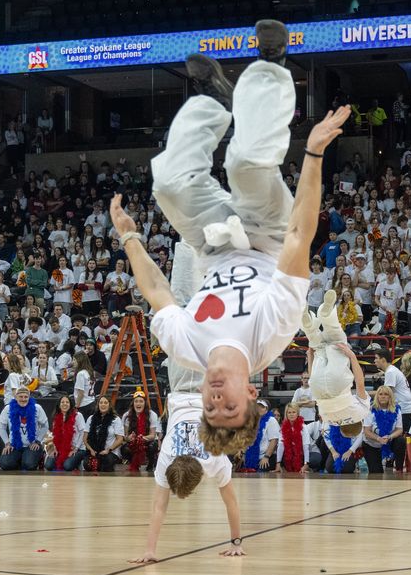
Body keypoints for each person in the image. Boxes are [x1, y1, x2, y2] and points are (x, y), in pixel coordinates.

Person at [115, 29, 349, 455]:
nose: (216, 400)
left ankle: (213, 100)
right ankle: (272, 66)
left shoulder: (185, 349)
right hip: (268, 235)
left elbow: (158, 293)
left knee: (166, 186)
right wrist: (313, 154)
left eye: (210, 409)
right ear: (251, 397)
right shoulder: (272, 332)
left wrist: (130, 236)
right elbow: (299, 236)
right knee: (243, 165)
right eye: (230, 408)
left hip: (212, 246)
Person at [128, 361, 242, 565]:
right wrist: (149, 550)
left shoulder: (214, 458)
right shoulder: (167, 456)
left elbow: (231, 502)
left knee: (205, 336)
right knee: (184, 335)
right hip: (181, 388)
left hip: (207, 387)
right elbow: (158, 508)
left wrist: (236, 543)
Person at [300, 290, 369, 436]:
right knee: (318, 345)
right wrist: (310, 357)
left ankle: (327, 316)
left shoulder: (362, 413)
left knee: (337, 341)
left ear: (360, 423)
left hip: (339, 386)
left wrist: (353, 357)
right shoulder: (328, 420)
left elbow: (360, 384)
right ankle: (308, 326)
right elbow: (313, 383)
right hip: (318, 387)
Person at [0, 386, 49, 471]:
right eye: (20, 397)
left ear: (29, 397)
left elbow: (45, 426)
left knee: (29, 465)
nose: (23, 399)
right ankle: (20, 459)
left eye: (26, 397)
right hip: (14, 445)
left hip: (31, 445)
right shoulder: (8, 408)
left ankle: (33, 457)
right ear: (16, 397)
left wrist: (38, 441)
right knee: (5, 465)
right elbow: (1, 427)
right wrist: (7, 443)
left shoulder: (37, 408)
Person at [362, 386, 404, 474]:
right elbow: (367, 431)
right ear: (377, 396)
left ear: (390, 397)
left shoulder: (396, 410)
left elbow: (399, 429)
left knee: (401, 441)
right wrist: (378, 439)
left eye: (386, 394)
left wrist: (390, 437)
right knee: (376, 472)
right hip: (372, 444)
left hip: (389, 442)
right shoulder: (370, 410)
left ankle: (399, 468)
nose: (383, 396)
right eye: (380, 394)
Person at [374, 351, 411, 432]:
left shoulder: (390, 372)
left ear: (383, 359)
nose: (374, 361)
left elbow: (385, 394)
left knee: (403, 439)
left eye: (376, 358)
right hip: (406, 408)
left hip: (405, 410)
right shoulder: (392, 370)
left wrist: (367, 394)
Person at [82, 395, 124, 472]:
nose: (103, 405)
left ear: (109, 405)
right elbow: (85, 439)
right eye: (101, 403)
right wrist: (91, 450)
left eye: (105, 403)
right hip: (94, 451)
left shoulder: (116, 419)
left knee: (107, 463)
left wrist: (108, 450)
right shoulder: (91, 418)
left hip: (110, 451)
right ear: (98, 405)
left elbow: (120, 439)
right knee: (87, 465)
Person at [122, 391, 161, 472]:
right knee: (124, 449)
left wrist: (141, 438)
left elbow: (152, 435)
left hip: (147, 440)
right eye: (136, 401)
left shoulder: (152, 415)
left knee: (152, 446)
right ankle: (133, 463)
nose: (138, 403)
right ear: (133, 403)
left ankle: (150, 464)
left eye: (141, 401)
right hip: (133, 442)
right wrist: (129, 438)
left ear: (145, 403)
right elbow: (125, 437)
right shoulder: (126, 415)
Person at [45, 395, 84, 472]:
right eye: (62, 402)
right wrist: (55, 448)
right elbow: (56, 435)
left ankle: (77, 462)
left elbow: (83, 433)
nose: (65, 404)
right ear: (59, 405)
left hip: (77, 448)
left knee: (67, 466)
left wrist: (76, 448)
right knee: (48, 466)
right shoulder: (56, 417)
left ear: (70, 404)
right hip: (61, 448)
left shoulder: (78, 416)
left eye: (67, 402)